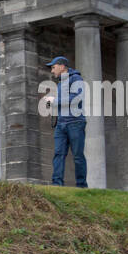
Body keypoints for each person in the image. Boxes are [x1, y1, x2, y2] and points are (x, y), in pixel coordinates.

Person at [45, 56, 88, 188]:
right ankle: (57, 184)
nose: (52, 71)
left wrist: (55, 101)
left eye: (53, 67)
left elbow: (76, 98)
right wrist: (51, 103)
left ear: (62, 66)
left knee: (78, 155)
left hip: (75, 122)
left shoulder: (76, 79)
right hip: (61, 124)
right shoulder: (60, 83)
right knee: (58, 154)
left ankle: (82, 185)